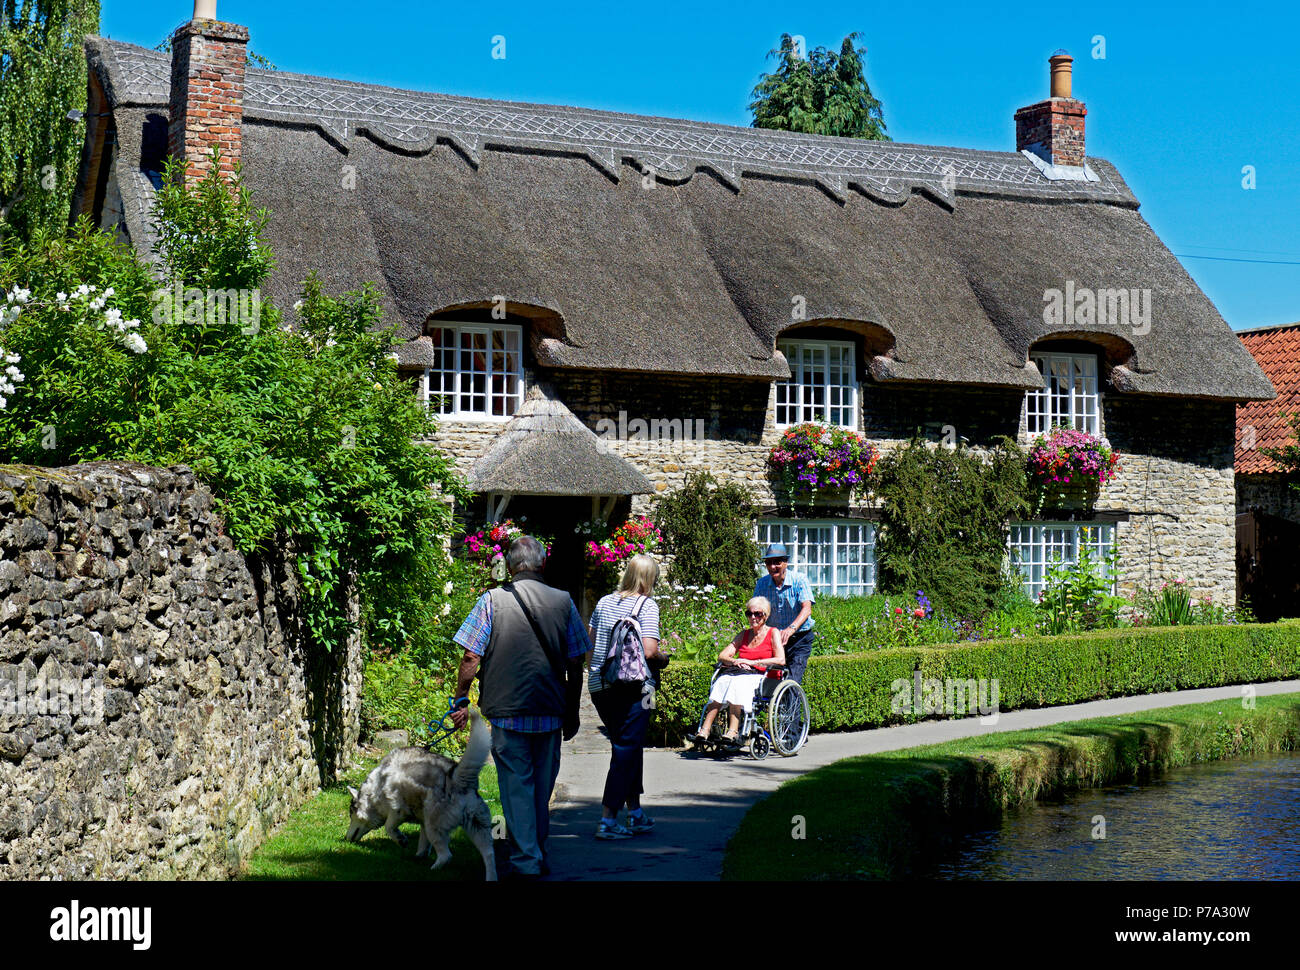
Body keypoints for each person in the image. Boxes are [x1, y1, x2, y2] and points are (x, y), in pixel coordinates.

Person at [449, 535, 590, 880]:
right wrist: (572, 711)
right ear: (542, 564)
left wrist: (461, 698)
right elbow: (576, 661)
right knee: (541, 788)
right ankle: (535, 852)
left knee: (516, 788)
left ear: (510, 566)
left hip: (508, 711)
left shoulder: (491, 601)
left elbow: (470, 655)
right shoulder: (564, 602)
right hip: (550, 710)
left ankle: (527, 861)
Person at [586, 554, 665, 840]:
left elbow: (591, 643)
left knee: (629, 745)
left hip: (600, 686)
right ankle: (608, 819)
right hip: (637, 690)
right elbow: (649, 651)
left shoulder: (604, 601)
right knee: (626, 748)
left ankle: (635, 813)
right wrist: (664, 656)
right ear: (648, 579)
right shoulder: (647, 605)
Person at [693, 596, 785, 744]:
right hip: (742, 673)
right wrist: (735, 661)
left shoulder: (773, 633)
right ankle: (705, 730)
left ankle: (733, 731)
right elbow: (722, 655)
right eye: (749, 614)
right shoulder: (744, 634)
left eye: (758, 614)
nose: (753, 617)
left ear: (766, 616)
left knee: (738, 683)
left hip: (765, 676)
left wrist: (753, 662)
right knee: (722, 681)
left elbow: (781, 660)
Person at [754, 542, 815, 683]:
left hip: (799, 638)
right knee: (768, 679)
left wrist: (790, 629)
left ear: (786, 563)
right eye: (769, 563)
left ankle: (791, 705)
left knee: (792, 680)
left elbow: (807, 608)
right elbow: (756, 610)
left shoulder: (799, 580)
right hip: (774, 639)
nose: (772, 566)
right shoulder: (761, 584)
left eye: (777, 562)